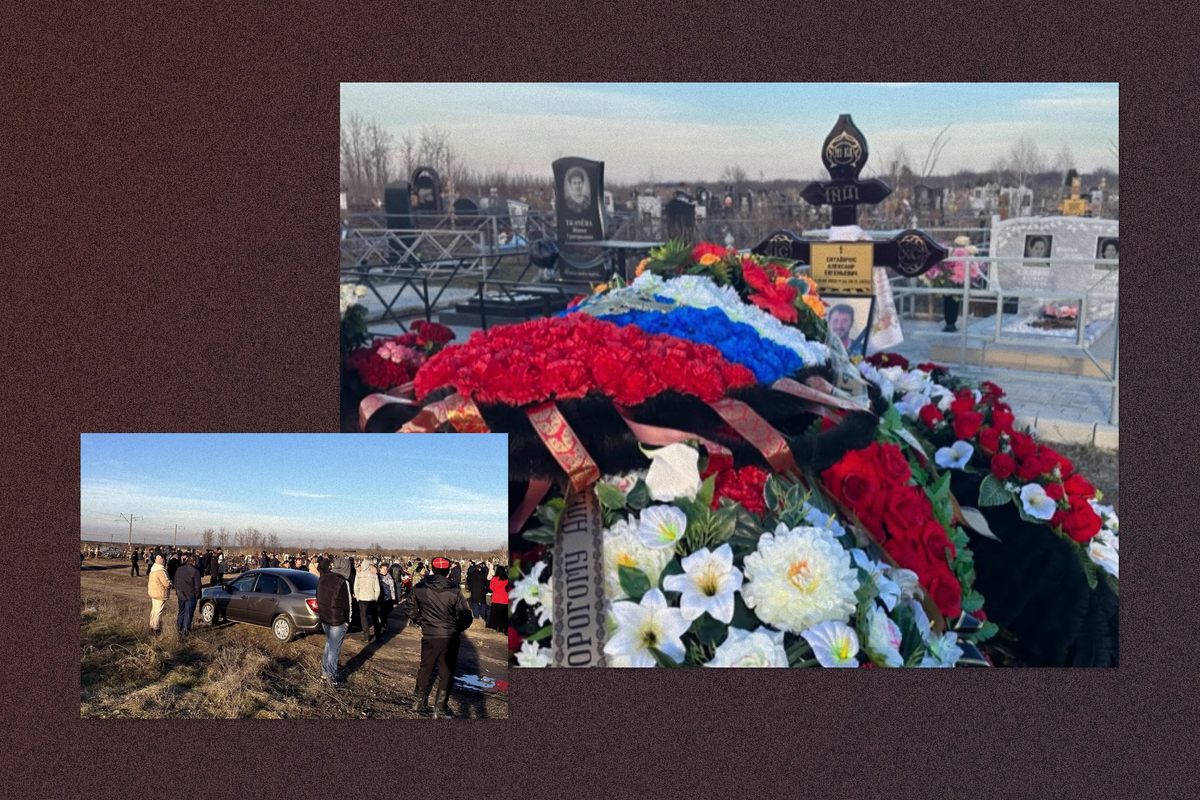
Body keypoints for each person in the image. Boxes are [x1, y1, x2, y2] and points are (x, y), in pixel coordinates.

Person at [406, 556, 472, 718]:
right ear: (448, 571)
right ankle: (439, 710)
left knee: (425, 668)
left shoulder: (420, 588)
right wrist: (456, 628)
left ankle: (417, 703)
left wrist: (422, 622)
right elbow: (465, 616)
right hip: (449, 637)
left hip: (430, 635)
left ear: (432, 570)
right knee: (446, 672)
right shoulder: (455, 590)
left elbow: (410, 609)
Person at [317, 557, 354, 688]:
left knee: (329, 644)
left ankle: (324, 673)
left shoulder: (323, 578)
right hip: (337, 620)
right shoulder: (343, 582)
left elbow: (318, 596)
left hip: (325, 617)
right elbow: (347, 604)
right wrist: (348, 620)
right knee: (334, 649)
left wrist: (321, 613)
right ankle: (331, 679)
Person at [174, 554, 202, 637]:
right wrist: (197, 595)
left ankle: (179, 629)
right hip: (191, 595)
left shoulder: (179, 569)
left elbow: (175, 581)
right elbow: (198, 585)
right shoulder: (195, 571)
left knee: (181, 612)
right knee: (188, 613)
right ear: (194, 562)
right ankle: (185, 631)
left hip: (180, 594)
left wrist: (177, 590)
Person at [354, 560, 382, 643]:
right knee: (375, 618)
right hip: (372, 599)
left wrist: (358, 597)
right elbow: (377, 589)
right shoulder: (374, 576)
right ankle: (378, 636)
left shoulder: (358, 575)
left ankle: (366, 636)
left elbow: (356, 587)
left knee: (363, 618)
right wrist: (375, 598)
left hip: (362, 599)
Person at [147, 555, 170, 635]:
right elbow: (166, 583)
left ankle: (152, 625)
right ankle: (156, 629)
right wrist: (170, 584)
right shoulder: (161, 571)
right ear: (162, 562)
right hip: (160, 593)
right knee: (158, 611)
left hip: (153, 592)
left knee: (154, 610)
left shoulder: (153, 569)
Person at [488, 565, 509, 633]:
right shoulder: (507, 579)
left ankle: (497, 627)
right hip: (505, 600)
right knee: (503, 615)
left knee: (496, 615)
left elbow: (491, 588)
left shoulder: (494, 579)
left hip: (496, 599)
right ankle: (503, 627)